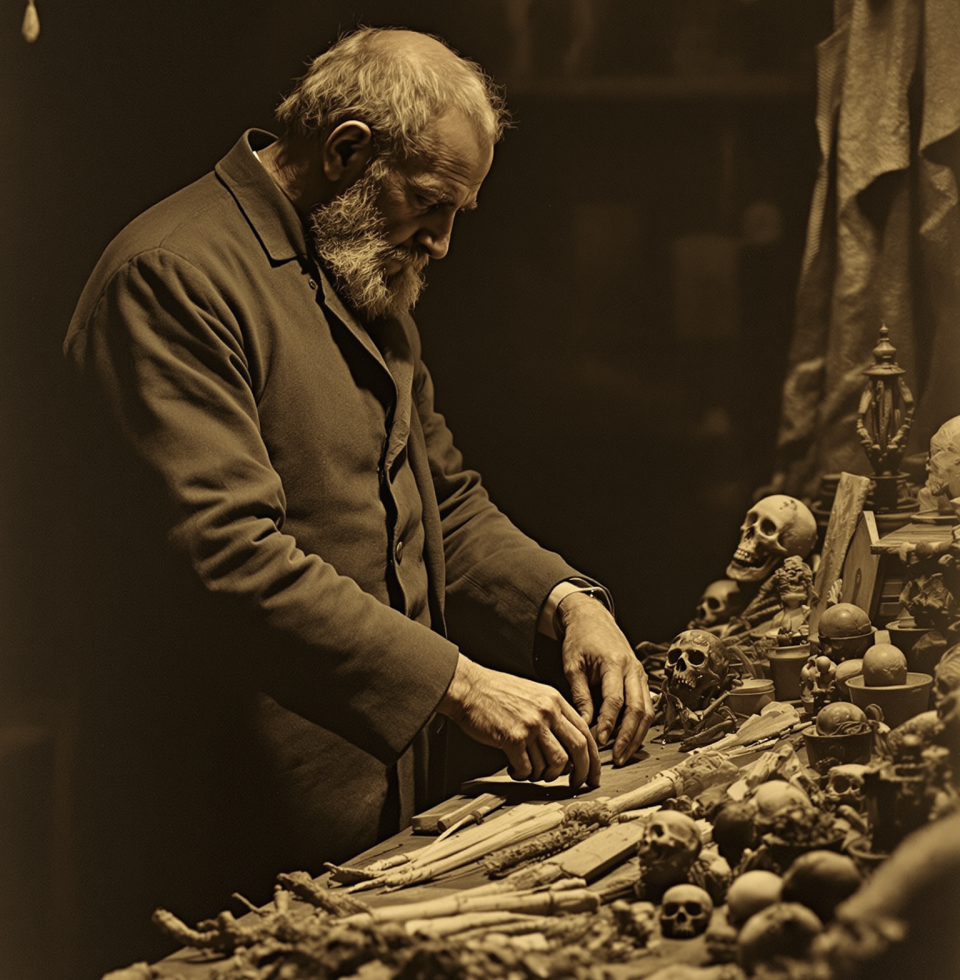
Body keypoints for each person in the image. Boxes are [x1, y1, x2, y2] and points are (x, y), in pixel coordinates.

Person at [62, 26, 653, 975]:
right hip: (226, 824)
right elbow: (227, 557)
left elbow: (444, 500)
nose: (445, 242)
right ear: (346, 150)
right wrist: (461, 683)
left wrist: (564, 599)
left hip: (376, 820)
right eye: (430, 205)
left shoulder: (362, 275)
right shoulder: (171, 277)